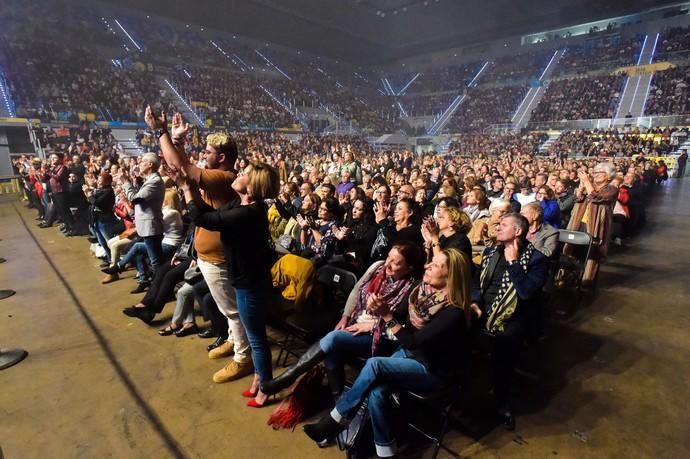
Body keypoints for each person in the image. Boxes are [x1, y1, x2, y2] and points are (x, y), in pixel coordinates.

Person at [303, 249, 473, 458]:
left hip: (432, 370)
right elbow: (398, 317)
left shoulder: (453, 311)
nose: (427, 266)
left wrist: (386, 315)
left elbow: (412, 341)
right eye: (431, 263)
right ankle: (386, 452)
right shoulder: (421, 292)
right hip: (409, 356)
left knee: (374, 365)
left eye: (436, 265)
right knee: (377, 392)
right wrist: (378, 311)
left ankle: (337, 419)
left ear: (451, 276)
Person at [145, 108, 251, 382]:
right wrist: (176, 141)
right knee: (226, 308)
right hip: (207, 255)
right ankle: (232, 340)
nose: (204, 155)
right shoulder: (217, 174)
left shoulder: (224, 178)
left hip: (218, 257)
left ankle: (243, 357)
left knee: (232, 309)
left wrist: (163, 133)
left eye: (208, 152)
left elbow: (182, 170)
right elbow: (184, 169)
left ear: (223, 157)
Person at [260, 241, 425, 398]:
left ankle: (287, 378)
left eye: (396, 263)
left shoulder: (412, 288)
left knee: (333, 339)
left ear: (409, 268)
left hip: (382, 338)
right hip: (357, 322)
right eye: (389, 256)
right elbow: (356, 290)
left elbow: (404, 326)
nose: (388, 264)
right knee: (332, 350)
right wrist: (345, 317)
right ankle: (339, 402)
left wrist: (375, 324)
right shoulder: (378, 266)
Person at [178, 161, 280, 408]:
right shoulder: (240, 204)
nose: (239, 174)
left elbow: (203, 218)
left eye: (244, 174)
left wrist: (186, 188)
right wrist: (191, 187)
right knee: (254, 335)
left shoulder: (249, 212)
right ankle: (258, 379)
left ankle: (266, 388)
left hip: (250, 284)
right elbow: (210, 214)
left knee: (256, 338)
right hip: (244, 279)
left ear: (253, 185)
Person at [471, 213, 548, 430]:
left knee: (506, 343)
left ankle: (501, 402)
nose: (497, 227)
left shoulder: (537, 259)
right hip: (482, 309)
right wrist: (475, 302)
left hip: (512, 315)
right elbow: (476, 284)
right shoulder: (491, 252)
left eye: (503, 225)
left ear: (517, 231)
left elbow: (526, 294)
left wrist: (514, 263)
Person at [104, 152, 165, 275]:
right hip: (146, 226)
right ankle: (128, 270)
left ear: (150, 164)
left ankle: (159, 288)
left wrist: (125, 182)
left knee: (155, 261)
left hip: (150, 227)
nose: (140, 164)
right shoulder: (150, 180)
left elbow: (136, 199)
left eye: (142, 162)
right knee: (146, 255)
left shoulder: (155, 181)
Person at [566, 163, 618, 286]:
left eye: (600, 172)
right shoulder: (590, 185)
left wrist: (587, 182)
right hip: (581, 222)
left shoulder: (612, 189)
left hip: (596, 225)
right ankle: (570, 276)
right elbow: (578, 199)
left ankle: (587, 282)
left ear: (609, 176)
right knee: (574, 249)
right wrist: (581, 187)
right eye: (595, 172)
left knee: (592, 253)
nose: (596, 174)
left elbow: (596, 197)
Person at [85, 172, 116, 265]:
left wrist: (89, 196)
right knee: (102, 242)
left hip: (104, 219)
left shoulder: (108, 191)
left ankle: (114, 260)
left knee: (109, 241)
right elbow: (91, 200)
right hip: (96, 219)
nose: (98, 180)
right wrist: (88, 193)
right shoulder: (100, 190)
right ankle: (108, 258)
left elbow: (97, 202)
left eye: (100, 179)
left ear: (107, 182)